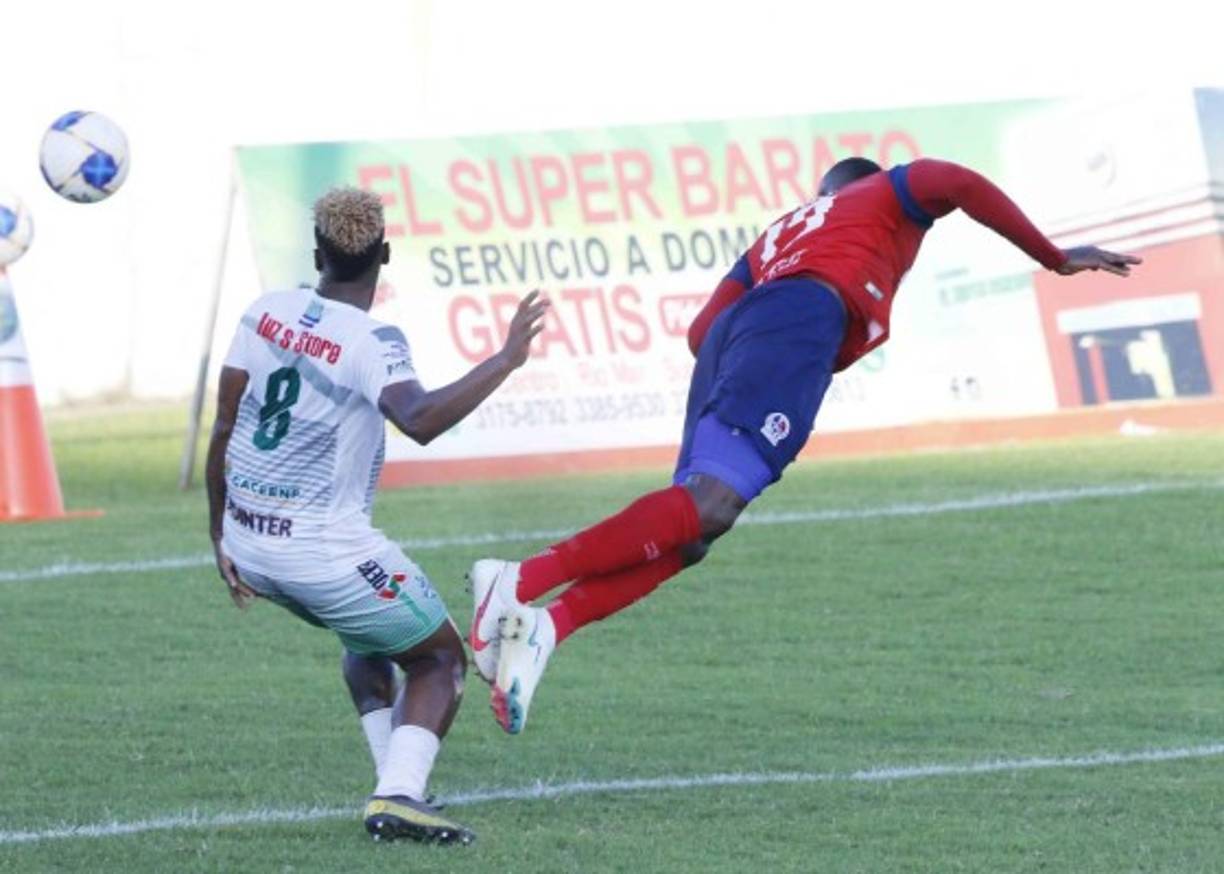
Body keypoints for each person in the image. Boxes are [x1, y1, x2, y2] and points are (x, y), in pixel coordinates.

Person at [467, 156, 1141, 735]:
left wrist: (757, 355)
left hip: (741, 336)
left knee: (694, 530)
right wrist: (1054, 258)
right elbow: (956, 181)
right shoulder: (882, 196)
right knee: (705, 509)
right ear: (854, 188)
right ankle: (519, 579)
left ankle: (549, 626)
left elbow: (703, 330)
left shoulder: (779, 234)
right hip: (799, 320)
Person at [205, 187, 547, 843]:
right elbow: (417, 419)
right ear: (383, 255)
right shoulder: (372, 339)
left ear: (317, 254)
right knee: (440, 657)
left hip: (249, 544)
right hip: (320, 553)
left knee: (368, 636)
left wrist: (219, 535)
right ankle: (398, 793)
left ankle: (394, 772)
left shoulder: (263, 311)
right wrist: (506, 359)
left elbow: (224, 426)